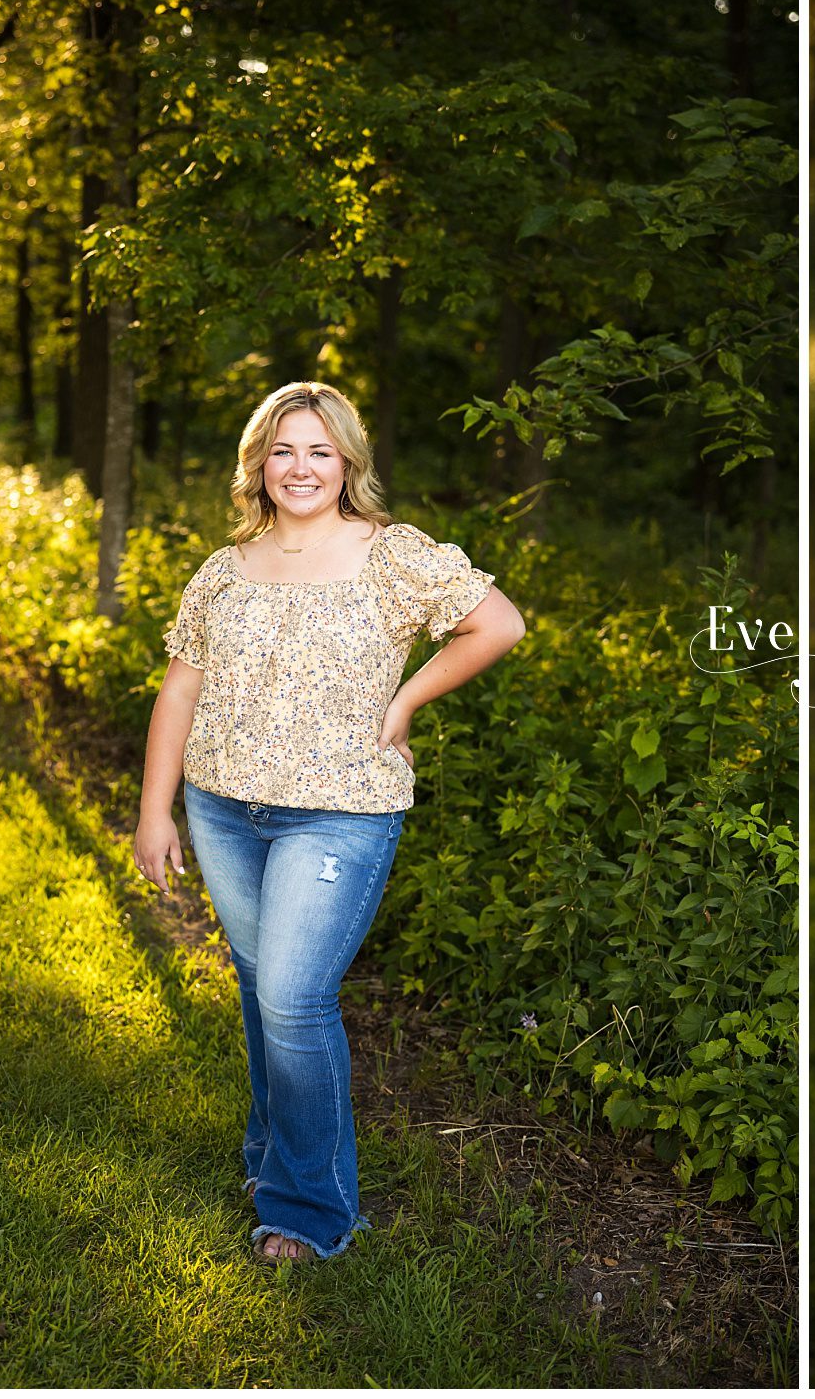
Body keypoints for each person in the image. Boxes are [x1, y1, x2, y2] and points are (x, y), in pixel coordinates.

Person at [131, 380, 525, 1264]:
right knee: (259, 987)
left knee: (294, 999)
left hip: (340, 813)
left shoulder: (392, 554)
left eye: (318, 450)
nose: (300, 467)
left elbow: (496, 624)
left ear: (347, 461)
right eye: (282, 450)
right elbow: (181, 687)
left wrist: (406, 701)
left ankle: (308, 1209)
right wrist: (156, 809)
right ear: (258, 465)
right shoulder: (225, 568)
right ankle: (273, 1155)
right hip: (224, 806)